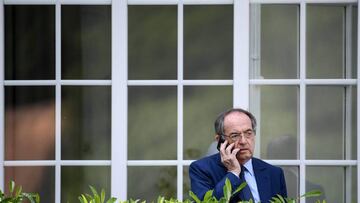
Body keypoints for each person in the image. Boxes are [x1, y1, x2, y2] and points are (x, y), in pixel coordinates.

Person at [189, 108, 287, 203]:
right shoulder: (201, 169)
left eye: (248, 133)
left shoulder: (274, 173)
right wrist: (233, 173)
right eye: (235, 135)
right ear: (220, 140)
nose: (244, 141)